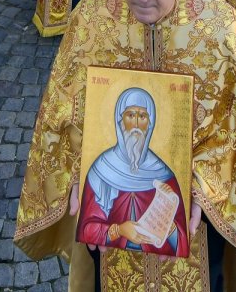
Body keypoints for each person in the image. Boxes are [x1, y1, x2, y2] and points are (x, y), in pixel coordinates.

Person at [14, 0, 236, 292]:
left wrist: (204, 188)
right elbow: (62, 114)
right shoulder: (90, 21)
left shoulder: (223, 30)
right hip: (107, 209)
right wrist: (81, 171)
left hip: (195, 219)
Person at [76, 87, 189, 256]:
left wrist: (168, 209)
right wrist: (118, 230)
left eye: (142, 116)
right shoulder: (101, 169)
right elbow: (87, 229)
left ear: (150, 124)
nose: (136, 124)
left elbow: (180, 237)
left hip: (160, 258)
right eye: (130, 115)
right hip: (109, 255)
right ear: (119, 120)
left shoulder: (164, 175)